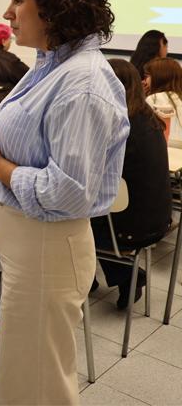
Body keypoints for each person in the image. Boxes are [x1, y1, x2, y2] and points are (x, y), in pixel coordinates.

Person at [0, 0, 130, 405]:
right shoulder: (51, 63)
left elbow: (69, 192)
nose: (6, 13)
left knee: (39, 387)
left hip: (46, 249)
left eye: (17, 0)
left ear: (53, 7)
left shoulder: (81, 83)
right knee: (25, 380)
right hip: (29, 246)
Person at [90, 60, 171, 309]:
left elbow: (90, 175)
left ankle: (126, 276)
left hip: (130, 226)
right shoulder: (147, 116)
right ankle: (92, 279)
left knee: (72, 219)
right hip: (160, 218)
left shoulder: (118, 124)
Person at [143, 57, 182, 145]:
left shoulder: (155, 98)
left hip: (164, 152)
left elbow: (163, 134)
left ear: (159, 77)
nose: (145, 80)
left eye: (147, 76)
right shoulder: (178, 97)